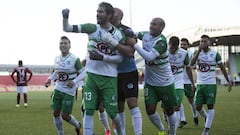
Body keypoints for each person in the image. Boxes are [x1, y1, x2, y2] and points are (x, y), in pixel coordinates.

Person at [62, 2, 126, 135]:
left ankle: (120, 132)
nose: (97, 14)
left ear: (109, 15)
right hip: (91, 76)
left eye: (101, 11)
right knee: (88, 110)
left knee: (113, 114)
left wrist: (102, 58)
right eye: (97, 11)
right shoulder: (92, 28)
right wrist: (65, 17)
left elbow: (121, 58)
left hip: (109, 78)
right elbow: (67, 28)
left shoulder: (119, 35)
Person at [128, 18, 178, 135]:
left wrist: (135, 45)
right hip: (150, 83)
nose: (151, 26)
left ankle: (173, 133)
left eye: (154, 25)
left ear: (161, 28)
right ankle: (162, 130)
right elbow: (132, 33)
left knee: (169, 110)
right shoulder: (145, 35)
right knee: (150, 111)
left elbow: (150, 57)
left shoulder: (161, 42)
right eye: (151, 24)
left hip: (165, 83)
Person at [106, 7, 142, 135]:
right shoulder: (104, 29)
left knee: (132, 103)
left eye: (112, 13)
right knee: (117, 107)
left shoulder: (127, 31)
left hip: (128, 72)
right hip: (112, 73)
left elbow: (130, 52)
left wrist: (114, 44)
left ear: (120, 17)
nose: (109, 14)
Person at [190, 34, 232, 135]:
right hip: (200, 84)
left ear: (209, 42)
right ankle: (206, 117)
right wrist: (198, 52)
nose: (203, 43)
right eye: (201, 41)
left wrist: (228, 81)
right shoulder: (197, 52)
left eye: (205, 41)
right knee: (197, 106)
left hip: (210, 84)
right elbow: (191, 64)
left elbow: (222, 67)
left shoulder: (215, 54)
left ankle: (206, 130)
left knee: (210, 106)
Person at [45, 36, 84, 135]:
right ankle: (61, 133)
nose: (63, 45)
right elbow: (56, 72)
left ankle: (78, 125)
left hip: (69, 91)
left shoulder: (75, 59)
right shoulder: (56, 59)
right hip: (58, 88)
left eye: (65, 43)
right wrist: (50, 79)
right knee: (55, 113)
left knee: (65, 116)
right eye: (61, 43)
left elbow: (84, 73)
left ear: (69, 45)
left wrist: (74, 81)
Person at [168, 36, 196, 128]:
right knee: (167, 108)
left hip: (179, 82)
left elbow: (188, 69)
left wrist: (192, 83)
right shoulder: (164, 52)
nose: (173, 49)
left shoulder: (184, 53)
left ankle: (176, 126)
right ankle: (173, 123)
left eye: (175, 48)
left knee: (177, 105)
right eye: (172, 47)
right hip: (166, 83)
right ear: (169, 45)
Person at [180, 38, 198, 127]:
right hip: (179, 81)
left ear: (188, 45)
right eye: (181, 44)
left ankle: (195, 115)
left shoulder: (190, 54)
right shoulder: (178, 53)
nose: (182, 46)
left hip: (188, 81)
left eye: (184, 44)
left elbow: (191, 68)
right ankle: (183, 119)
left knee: (191, 101)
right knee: (178, 100)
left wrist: (193, 82)